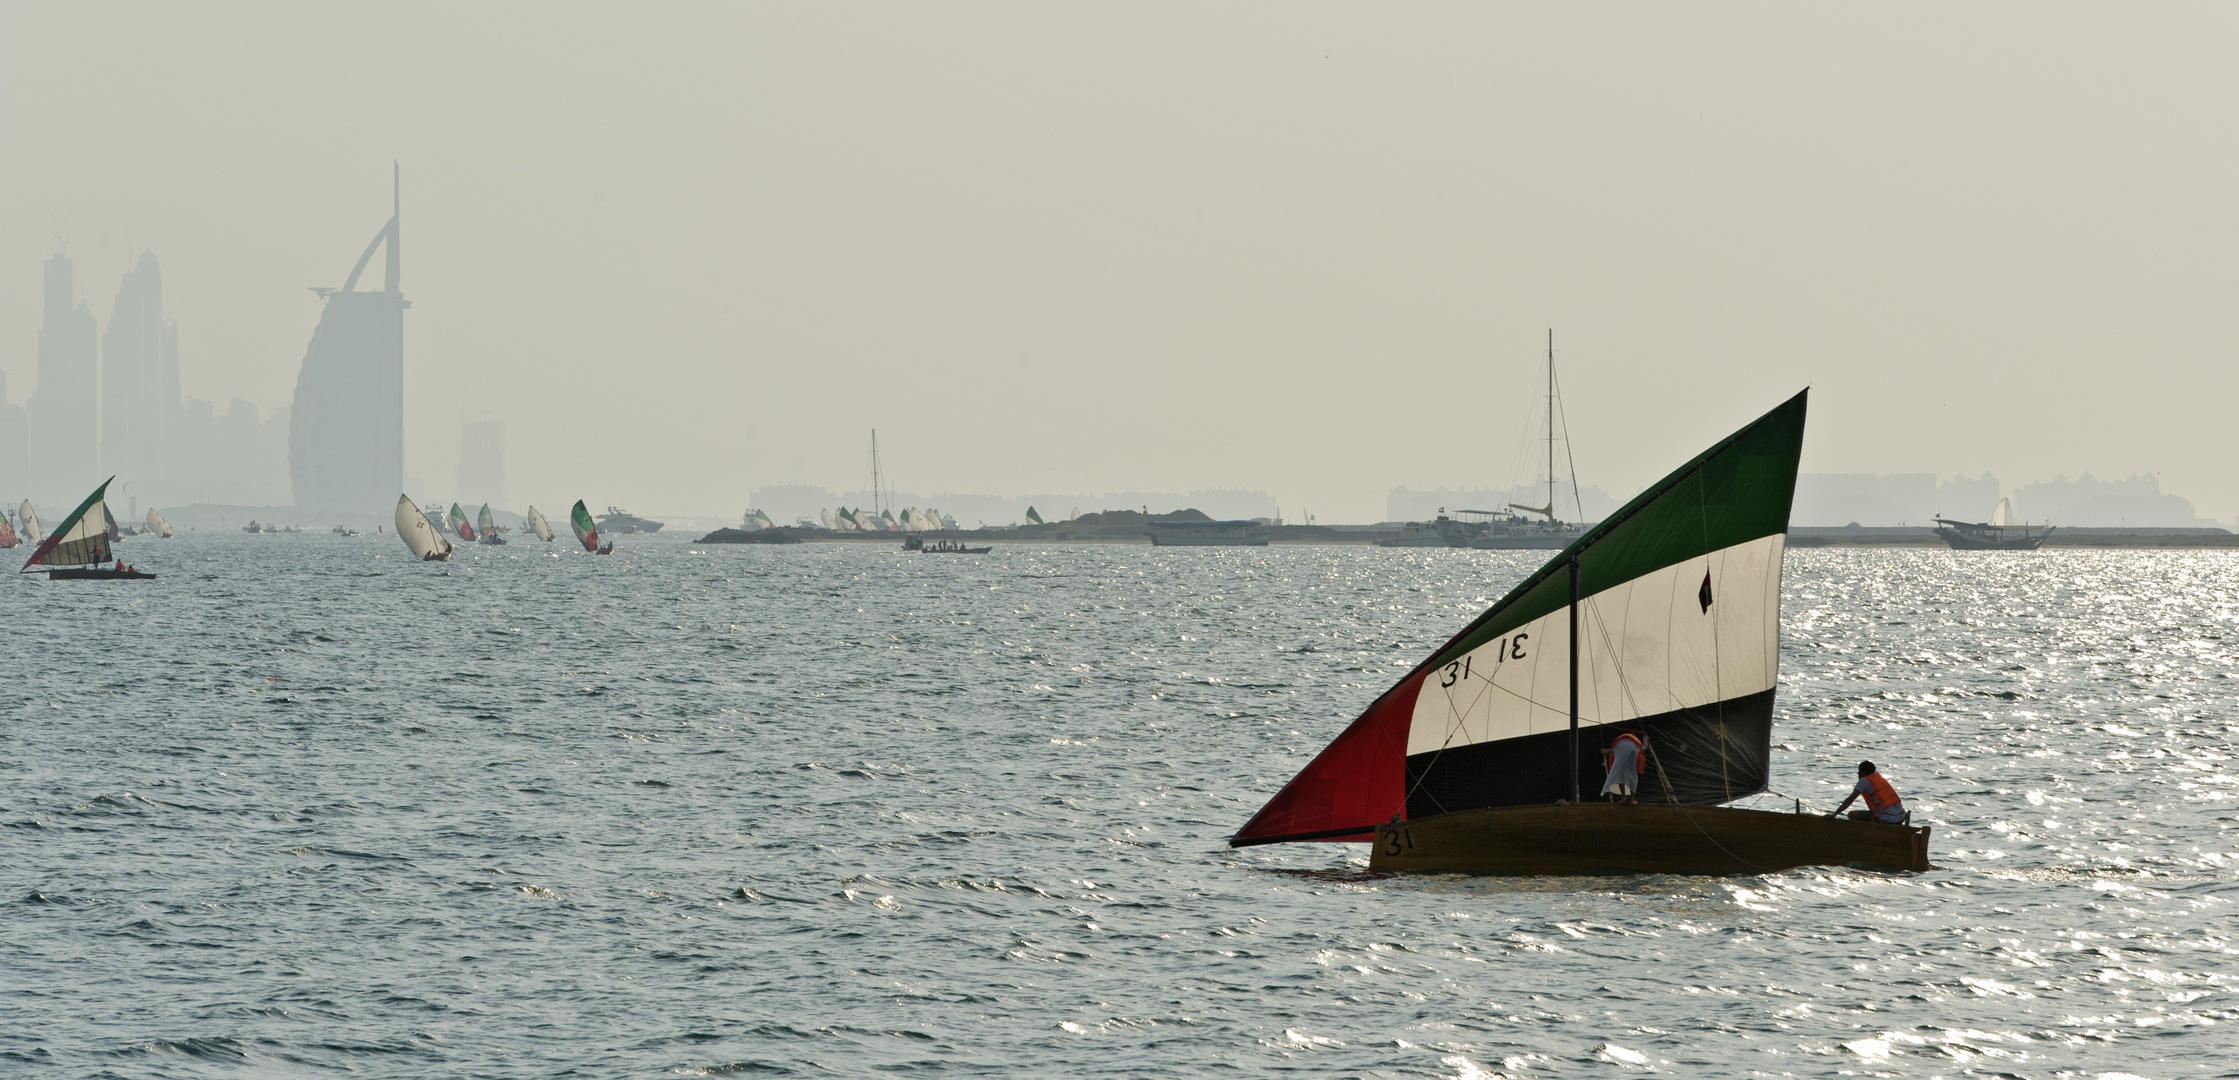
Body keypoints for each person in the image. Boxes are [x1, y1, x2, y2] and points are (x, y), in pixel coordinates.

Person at [1831, 760, 1905, 823]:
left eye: (1859, 772)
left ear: (1863, 772)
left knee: (1852, 814)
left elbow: (1850, 800)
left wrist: (1834, 814)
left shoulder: (1864, 781)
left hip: (1887, 818)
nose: (1858, 774)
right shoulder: (1879, 778)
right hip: (1901, 816)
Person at [1602, 731, 1646, 804]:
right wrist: (1645, 741)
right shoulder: (1630, 745)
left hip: (1629, 763)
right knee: (1627, 778)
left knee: (1627, 778)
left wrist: (1645, 740)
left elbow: (1643, 748)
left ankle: (1627, 798)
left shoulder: (1634, 745)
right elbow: (1644, 748)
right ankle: (1627, 798)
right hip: (1627, 763)